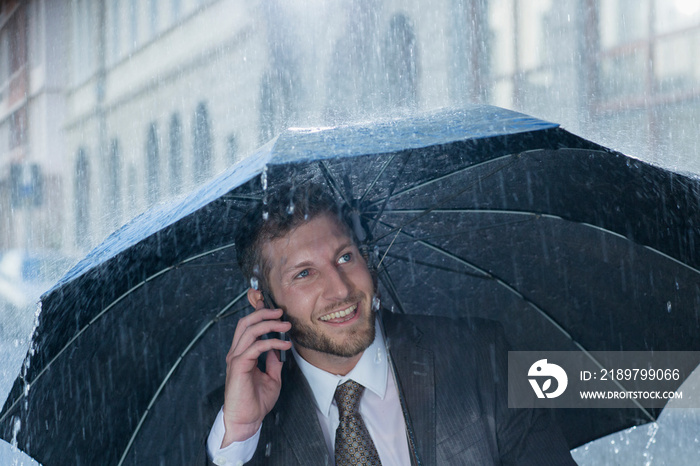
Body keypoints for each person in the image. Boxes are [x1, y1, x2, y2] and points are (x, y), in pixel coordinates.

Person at [204, 183, 575, 465]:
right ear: (261, 301)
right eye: (304, 274)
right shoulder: (235, 428)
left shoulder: (480, 355)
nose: (340, 289)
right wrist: (240, 437)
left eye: (345, 256)